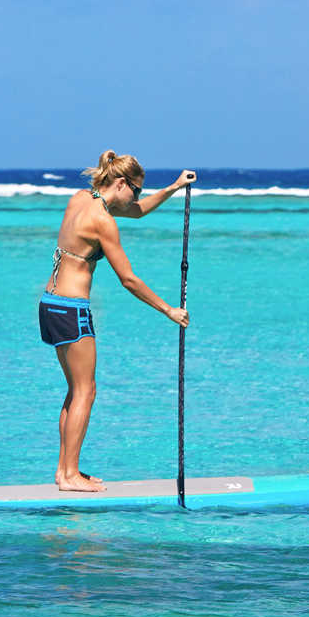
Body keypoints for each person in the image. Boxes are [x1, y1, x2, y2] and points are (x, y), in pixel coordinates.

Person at [39, 150, 195, 491]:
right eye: (136, 190)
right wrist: (168, 310)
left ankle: (65, 471)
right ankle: (69, 476)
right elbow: (129, 280)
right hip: (72, 309)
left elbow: (135, 212)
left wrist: (172, 188)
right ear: (121, 182)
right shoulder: (102, 221)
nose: (136, 198)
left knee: (75, 390)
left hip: (50, 303)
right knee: (86, 391)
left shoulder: (80, 198)